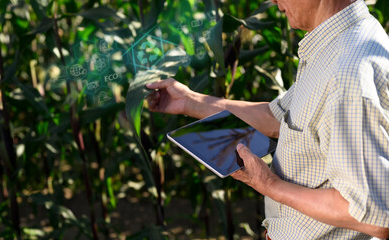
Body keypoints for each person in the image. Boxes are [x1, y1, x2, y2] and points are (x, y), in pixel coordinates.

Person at [146, 0, 389, 239]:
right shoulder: (338, 45)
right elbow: (275, 119)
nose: (272, 1)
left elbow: (372, 217)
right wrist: (189, 101)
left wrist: (269, 185)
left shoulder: (348, 72)